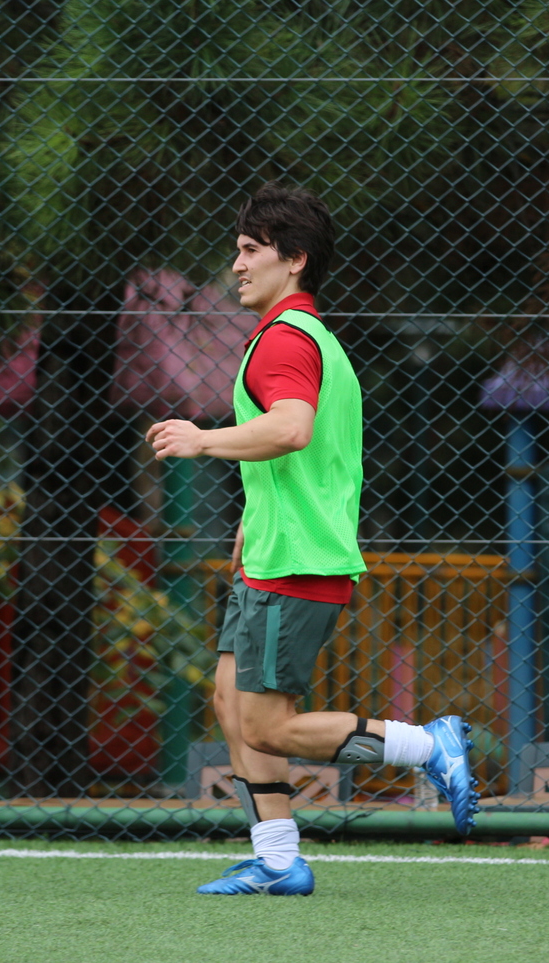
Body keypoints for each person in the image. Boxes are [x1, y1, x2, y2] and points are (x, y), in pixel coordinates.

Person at [145, 183, 479, 897]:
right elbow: (310, 455)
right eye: (237, 250)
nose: (237, 265)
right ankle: (277, 861)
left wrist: (203, 440)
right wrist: (254, 512)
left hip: (296, 562)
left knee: (268, 727)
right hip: (277, 552)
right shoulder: (307, 336)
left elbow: (292, 428)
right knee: (231, 703)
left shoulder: (283, 341)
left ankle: (427, 745)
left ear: (293, 259)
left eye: (250, 250)